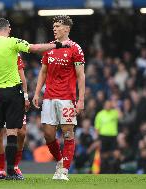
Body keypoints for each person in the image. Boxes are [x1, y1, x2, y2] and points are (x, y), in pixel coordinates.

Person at [0, 18, 71, 180]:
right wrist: (57, 45)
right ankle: (11, 171)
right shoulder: (12, 42)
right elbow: (35, 48)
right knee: (12, 132)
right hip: (13, 92)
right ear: (8, 29)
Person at [32, 15, 85, 180]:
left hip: (67, 98)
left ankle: (64, 171)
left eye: (57, 26)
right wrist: (36, 92)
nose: (54, 29)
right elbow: (43, 71)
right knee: (48, 135)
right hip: (48, 97)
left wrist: (81, 100)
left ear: (66, 29)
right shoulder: (50, 47)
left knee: (68, 134)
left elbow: (81, 76)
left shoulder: (75, 48)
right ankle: (60, 161)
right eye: (53, 26)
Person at [0, 28, 30, 179]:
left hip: (14, 94)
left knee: (20, 132)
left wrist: (26, 96)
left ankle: (14, 166)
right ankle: (3, 169)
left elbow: (22, 76)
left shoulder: (12, 53)